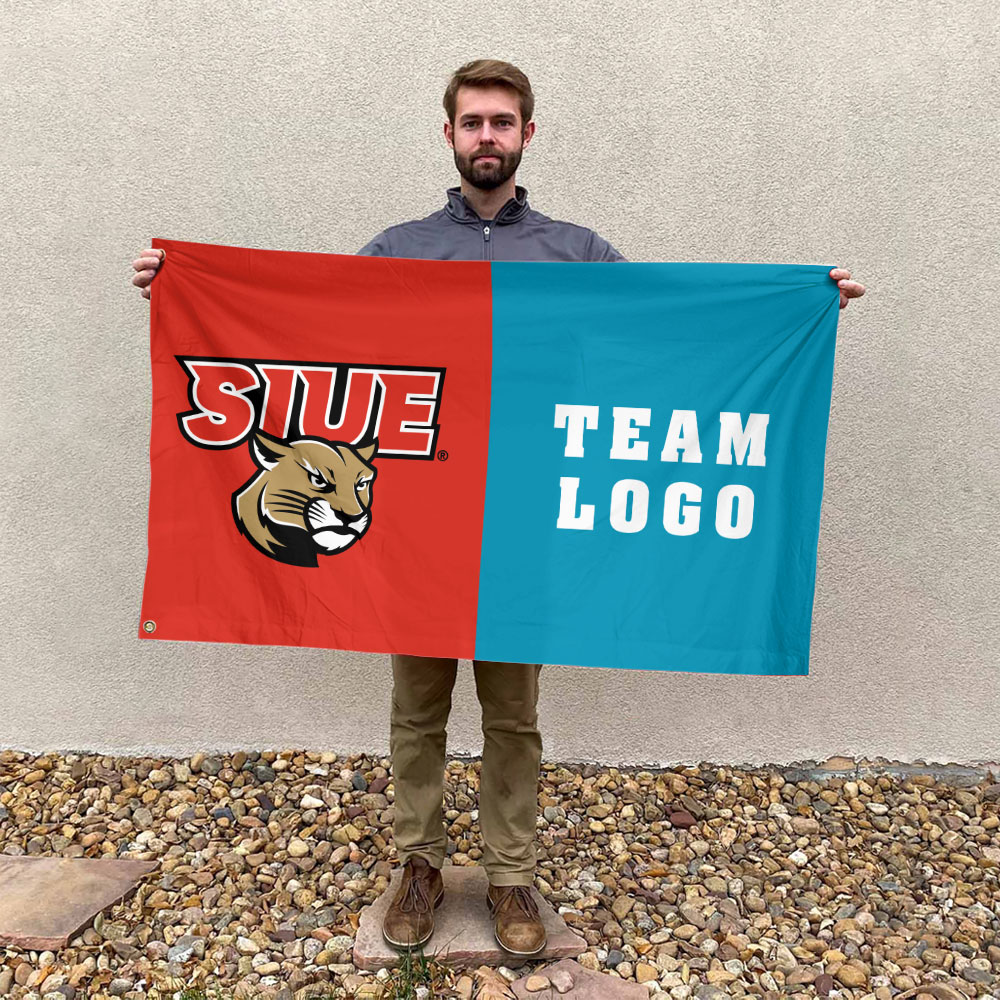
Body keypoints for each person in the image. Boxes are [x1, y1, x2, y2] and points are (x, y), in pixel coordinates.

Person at [130, 59, 866, 960]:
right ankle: (419, 865)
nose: (488, 136)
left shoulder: (577, 254)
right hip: (415, 530)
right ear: (449, 134)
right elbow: (308, 334)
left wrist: (799, 307)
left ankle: (512, 871)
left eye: (503, 122)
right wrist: (185, 288)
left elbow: (668, 328)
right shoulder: (399, 250)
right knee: (418, 708)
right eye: (473, 121)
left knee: (512, 712)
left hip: (527, 527)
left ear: (527, 134)